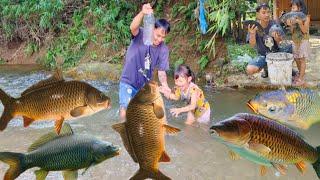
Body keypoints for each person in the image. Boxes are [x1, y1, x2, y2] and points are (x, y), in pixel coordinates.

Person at [119, 3, 171, 121]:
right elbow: (132, 27)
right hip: (128, 80)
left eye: (163, 37)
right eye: (158, 35)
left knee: (142, 118)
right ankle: (121, 136)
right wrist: (142, 13)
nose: (159, 39)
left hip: (143, 87)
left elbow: (162, 72)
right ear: (153, 28)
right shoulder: (141, 34)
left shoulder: (163, 49)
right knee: (124, 111)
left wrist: (165, 85)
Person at [246, 3, 284, 78]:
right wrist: (252, 34)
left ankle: (273, 68)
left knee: (292, 49)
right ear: (257, 15)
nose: (267, 15)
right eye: (263, 12)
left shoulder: (274, 24)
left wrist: (277, 38)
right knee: (249, 69)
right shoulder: (254, 26)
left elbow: (280, 41)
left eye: (268, 12)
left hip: (276, 54)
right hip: (262, 55)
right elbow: (252, 45)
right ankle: (265, 68)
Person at [286, 0, 310, 86]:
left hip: (303, 40)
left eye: (293, 7)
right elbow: (292, 32)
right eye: (291, 8)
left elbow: (304, 31)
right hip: (295, 41)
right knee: (296, 58)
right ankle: (301, 74)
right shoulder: (292, 18)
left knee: (302, 59)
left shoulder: (306, 17)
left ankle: (301, 79)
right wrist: (290, 25)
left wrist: (300, 23)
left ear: (300, 8)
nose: (292, 10)